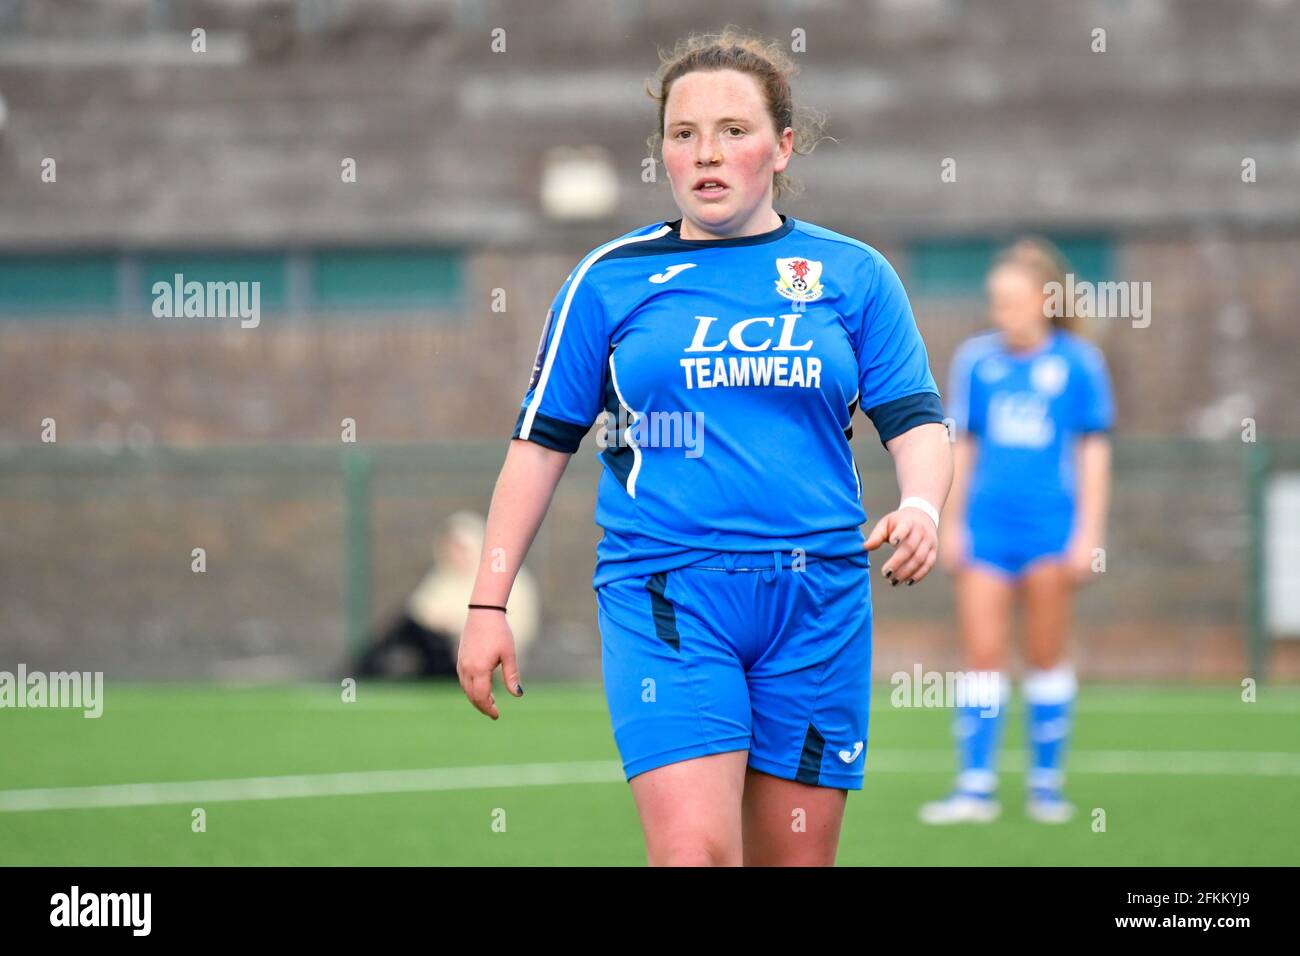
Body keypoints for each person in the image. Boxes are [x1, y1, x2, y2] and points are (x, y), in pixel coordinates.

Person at [458, 29, 952, 866]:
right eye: (683, 134)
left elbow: (917, 423)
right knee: (697, 853)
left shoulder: (853, 275)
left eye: (734, 130)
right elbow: (539, 447)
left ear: (783, 145)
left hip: (818, 601)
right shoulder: (607, 279)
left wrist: (922, 506)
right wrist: (486, 602)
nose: (706, 153)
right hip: (667, 594)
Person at [921, 238, 1114, 825]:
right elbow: (964, 445)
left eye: (1011, 300)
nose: (1000, 311)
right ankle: (975, 788)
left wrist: (1089, 535)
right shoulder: (976, 361)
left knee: (1044, 654)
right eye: (994, 300)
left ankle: (1045, 786)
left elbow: (1093, 456)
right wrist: (948, 523)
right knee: (981, 655)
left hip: (1050, 530)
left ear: (1045, 303)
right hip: (986, 529)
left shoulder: (1078, 363)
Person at [357, 511, 539, 678]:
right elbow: (419, 613)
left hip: (480, 657)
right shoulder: (442, 577)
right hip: (440, 650)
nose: (455, 554)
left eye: (460, 548)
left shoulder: (507, 578)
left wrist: (462, 631)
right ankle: (363, 670)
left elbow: (517, 626)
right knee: (407, 625)